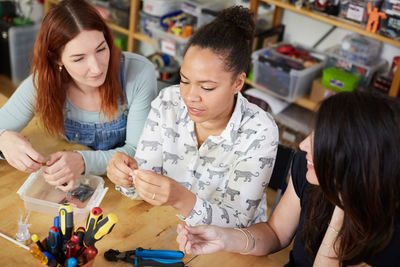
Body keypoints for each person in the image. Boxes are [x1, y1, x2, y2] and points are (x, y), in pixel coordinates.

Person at [176, 91, 400, 266]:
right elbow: (276, 233)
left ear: (356, 160)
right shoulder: (307, 166)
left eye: (321, 140)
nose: (303, 146)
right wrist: (224, 238)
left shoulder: (392, 233)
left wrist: (343, 205)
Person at [107, 6, 278, 227]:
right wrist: (127, 176)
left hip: (230, 250)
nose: (190, 96)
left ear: (238, 83)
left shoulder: (260, 130)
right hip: (168, 228)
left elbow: (239, 221)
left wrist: (180, 199)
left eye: (207, 88)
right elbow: (145, 182)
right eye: (185, 80)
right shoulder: (168, 102)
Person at [0, 0, 157, 191]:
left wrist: (83, 161)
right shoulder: (43, 82)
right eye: (79, 58)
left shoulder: (139, 72)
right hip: (78, 183)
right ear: (57, 58)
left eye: (101, 49)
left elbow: (137, 151)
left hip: (125, 185)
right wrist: (4, 139)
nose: (97, 68)